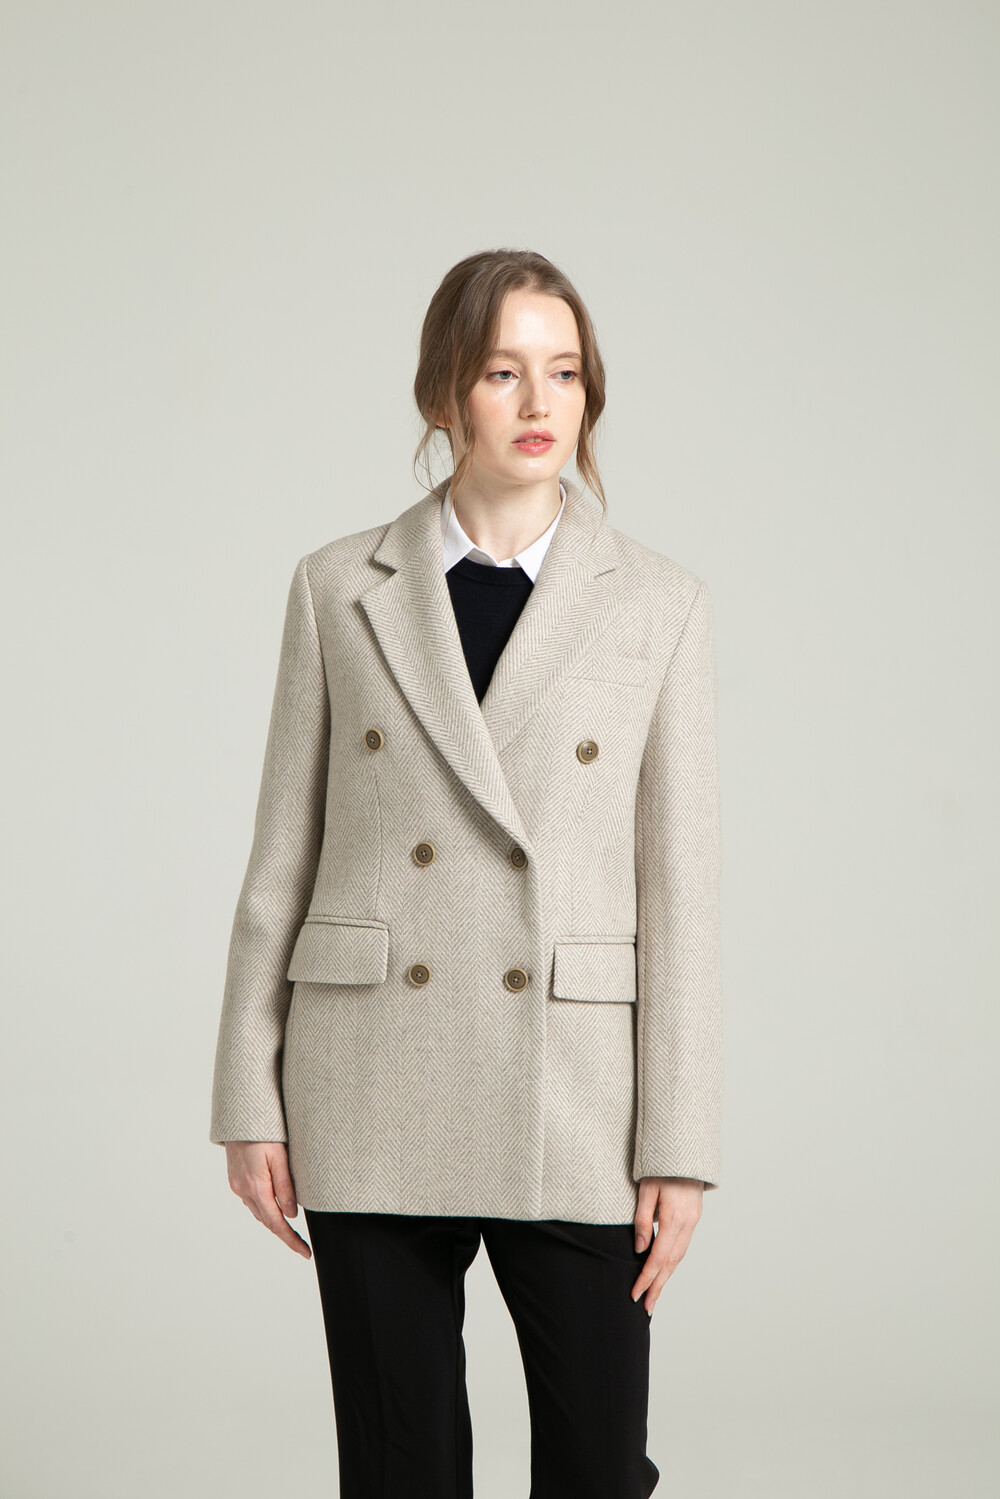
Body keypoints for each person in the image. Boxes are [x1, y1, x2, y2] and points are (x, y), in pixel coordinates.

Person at [209, 247, 722, 1499]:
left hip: (576, 1086)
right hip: (371, 1074)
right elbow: (281, 857)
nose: (540, 403)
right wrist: (248, 1095)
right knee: (401, 1466)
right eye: (502, 372)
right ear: (444, 393)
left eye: (565, 372)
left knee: (597, 1465)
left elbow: (681, 895)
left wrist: (680, 1140)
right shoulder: (340, 586)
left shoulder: (658, 603)